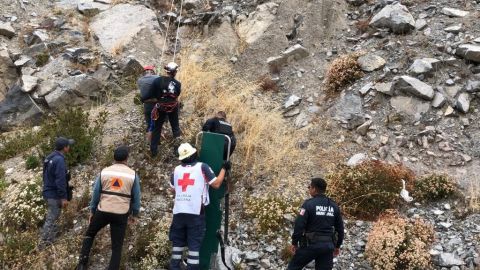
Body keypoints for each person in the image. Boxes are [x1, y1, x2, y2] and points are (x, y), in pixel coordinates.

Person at [76, 146, 141, 270]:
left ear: (113, 157)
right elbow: (137, 197)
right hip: (121, 213)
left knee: (90, 233)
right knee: (117, 247)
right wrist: (134, 214)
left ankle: (82, 264)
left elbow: (96, 193)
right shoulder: (133, 175)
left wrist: (92, 210)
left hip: (103, 211)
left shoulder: (105, 172)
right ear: (127, 158)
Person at [168, 143, 230, 270]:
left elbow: (173, 190)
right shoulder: (202, 167)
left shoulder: (176, 170)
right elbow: (217, 184)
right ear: (194, 154)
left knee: (177, 245)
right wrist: (224, 168)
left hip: (178, 213)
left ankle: (174, 267)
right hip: (195, 212)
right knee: (194, 248)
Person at [287, 178, 344, 270]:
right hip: (328, 246)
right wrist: (337, 246)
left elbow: (299, 225)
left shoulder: (308, 204)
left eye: (309, 187)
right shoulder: (334, 206)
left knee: (293, 267)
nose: (309, 189)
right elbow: (340, 229)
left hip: (311, 245)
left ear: (313, 189)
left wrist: (294, 242)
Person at [39, 137, 74, 249]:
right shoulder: (59, 160)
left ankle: (51, 240)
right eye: (68, 145)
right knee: (52, 217)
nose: (69, 147)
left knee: (53, 216)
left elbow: (45, 176)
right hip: (54, 194)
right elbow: (60, 180)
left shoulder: (49, 157)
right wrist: (63, 198)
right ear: (65, 148)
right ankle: (43, 244)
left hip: (48, 191)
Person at [150, 62, 182, 157]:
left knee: (157, 128)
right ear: (175, 72)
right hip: (173, 107)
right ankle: (177, 150)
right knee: (175, 127)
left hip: (161, 106)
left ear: (166, 70)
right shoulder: (178, 84)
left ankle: (154, 151)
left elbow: (153, 94)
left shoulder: (157, 81)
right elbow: (176, 95)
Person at [137, 65, 160, 140]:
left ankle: (149, 142)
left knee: (149, 124)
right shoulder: (157, 77)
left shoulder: (139, 80)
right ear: (152, 72)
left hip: (146, 105)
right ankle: (157, 141)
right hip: (156, 105)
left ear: (145, 72)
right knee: (158, 123)